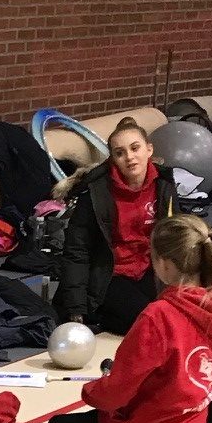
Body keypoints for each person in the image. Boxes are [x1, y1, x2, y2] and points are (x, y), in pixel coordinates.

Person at [45, 216, 212, 423]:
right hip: (192, 416)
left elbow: (116, 393)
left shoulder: (159, 315)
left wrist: (92, 391)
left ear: (164, 264)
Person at [56, 117, 177, 334]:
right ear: (113, 159)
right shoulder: (95, 193)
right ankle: (100, 313)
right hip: (110, 275)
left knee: (177, 314)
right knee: (150, 322)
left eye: (135, 148)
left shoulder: (164, 185)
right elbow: (77, 251)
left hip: (151, 270)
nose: (129, 157)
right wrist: (75, 308)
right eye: (120, 153)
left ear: (149, 150)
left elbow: (179, 239)